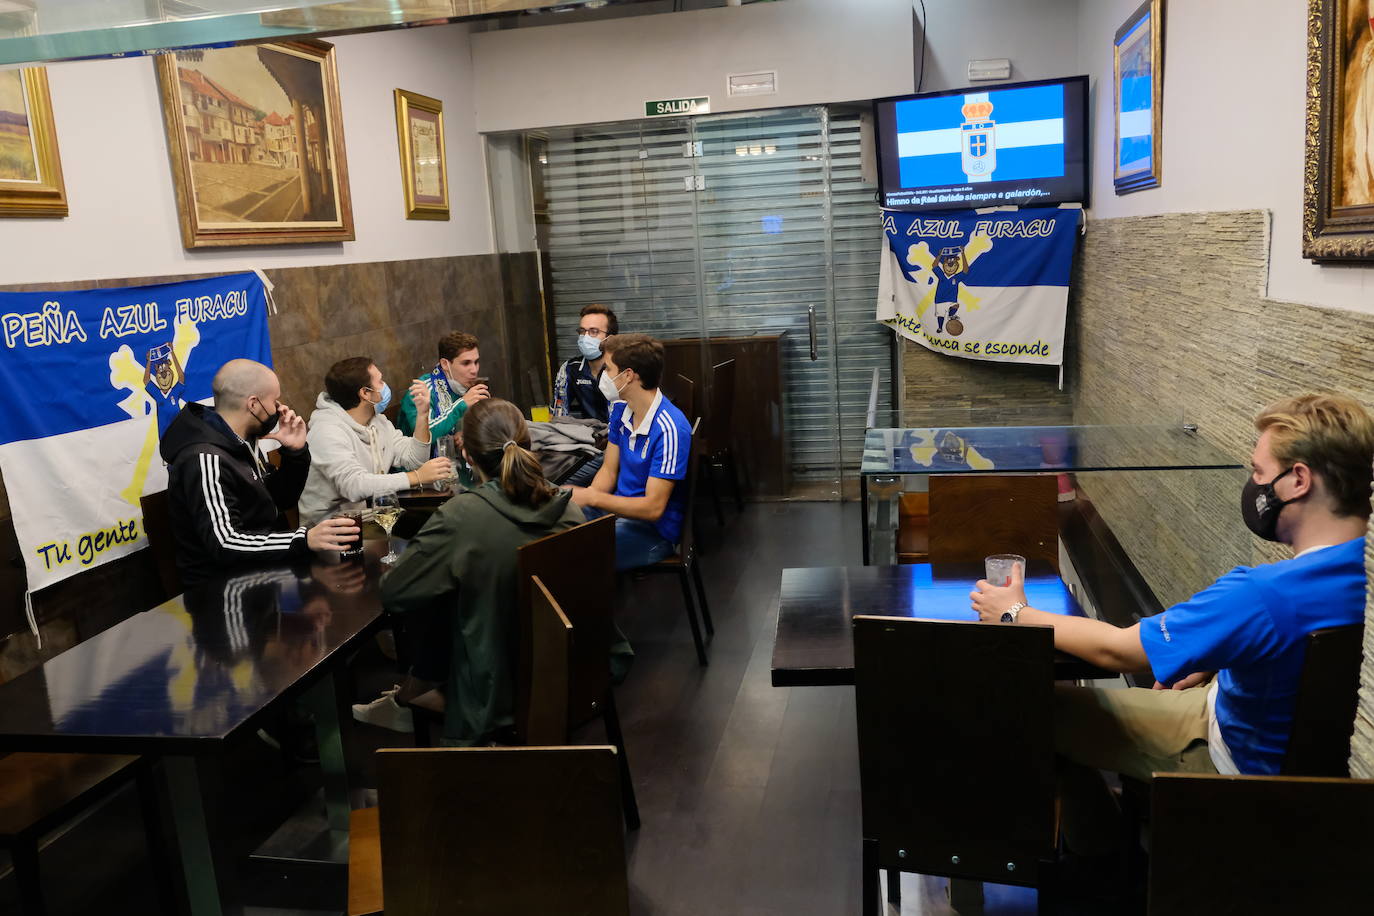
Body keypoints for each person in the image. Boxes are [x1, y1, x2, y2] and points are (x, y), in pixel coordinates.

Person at [970, 393, 1374, 859]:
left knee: (1031, 709)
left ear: (1298, 480)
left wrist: (1014, 611)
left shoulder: (1262, 594)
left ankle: (1104, 870)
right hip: (1280, 747)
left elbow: (1118, 651)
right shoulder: (1358, 574)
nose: (1254, 485)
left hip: (1232, 759)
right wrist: (1221, 657)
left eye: (1260, 474)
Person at [356, 398, 584, 743]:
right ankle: (406, 697)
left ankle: (407, 699)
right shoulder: (569, 509)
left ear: (467, 456)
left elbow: (394, 592)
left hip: (496, 689)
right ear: (528, 445)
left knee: (442, 604)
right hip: (573, 670)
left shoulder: (462, 516)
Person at [160, 358, 358, 589]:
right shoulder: (205, 457)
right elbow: (226, 543)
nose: (280, 408)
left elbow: (279, 500)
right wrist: (304, 538)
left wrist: (295, 454)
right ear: (253, 404)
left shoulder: (242, 440)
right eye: (274, 401)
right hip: (222, 588)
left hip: (264, 572)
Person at [570, 333, 692, 570]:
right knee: (552, 532)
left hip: (652, 532)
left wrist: (593, 497)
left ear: (628, 375)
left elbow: (653, 508)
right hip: (618, 514)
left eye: (607, 368)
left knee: (571, 556)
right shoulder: (621, 411)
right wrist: (585, 503)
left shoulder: (670, 429)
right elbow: (608, 470)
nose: (602, 375)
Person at [297, 357, 452, 524]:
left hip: (374, 516)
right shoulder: (326, 431)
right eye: (380, 381)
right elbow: (353, 486)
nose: (385, 386)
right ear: (365, 393)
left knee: (441, 524)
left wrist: (423, 415)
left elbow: (414, 459)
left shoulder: (378, 421)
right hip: (332, 530)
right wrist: (416, 477)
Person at [397, 331, 490, 440]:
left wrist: (465, 435)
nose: (474, 370)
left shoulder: (469, 385)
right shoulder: (421, 391)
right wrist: (461, 405)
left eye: (476, 362)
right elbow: (426, 437)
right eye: (466, 363)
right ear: (445, 364)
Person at [552, 304, 618, 423]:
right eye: (582, 331)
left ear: (609, 338)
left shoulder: (622, 369)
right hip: (587, 436)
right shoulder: (570, 369)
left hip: (621, 437)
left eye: (594, 331)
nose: (585, 337)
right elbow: (558, 415)